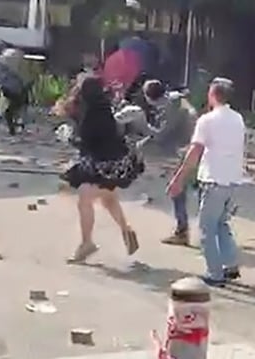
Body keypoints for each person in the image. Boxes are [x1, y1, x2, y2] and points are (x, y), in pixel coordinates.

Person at [56, 70, 143, 263]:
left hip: (102, 165)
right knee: (108, 198)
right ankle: (126, 231)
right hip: (117, 163)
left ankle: (87, 243)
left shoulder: (92, 115)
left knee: (85, 199)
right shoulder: (103, 108)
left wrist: (68, 137)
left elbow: (86, 142)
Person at [167, 77, 246, 286]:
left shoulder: (207, 121)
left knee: (206, 227)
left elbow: (194, 152)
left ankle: (215, 273)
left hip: (213, 178)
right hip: (232, 179)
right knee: (221, 223)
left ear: (213, 94)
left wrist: (178, 179)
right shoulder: (237, 118)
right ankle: (230, 264)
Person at [142, 80, 199, 246]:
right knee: (196, 186)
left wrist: (141, 124)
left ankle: (182, 231)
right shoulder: (175, 99)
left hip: (189, 149)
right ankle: (220, 218)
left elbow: (162, 135)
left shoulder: (169, 107)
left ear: (148, 98)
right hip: (196, 145)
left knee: (177, 189)